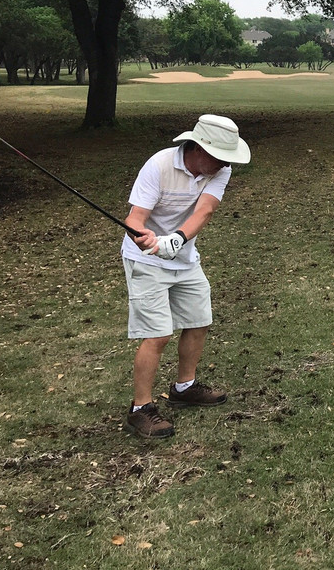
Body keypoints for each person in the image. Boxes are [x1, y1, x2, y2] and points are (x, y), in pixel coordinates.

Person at [121, 114, 251, 438]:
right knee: (158, 333)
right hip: (145, 259)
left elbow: (204, 210)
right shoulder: (159, 165)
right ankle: (141, 409)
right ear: (197, 148)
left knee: (199, 320)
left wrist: (174, 240)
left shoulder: (221, 169)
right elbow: (135, 219)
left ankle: (184, 387)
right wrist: (148, 238)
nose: (224, 164)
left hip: (184, 257)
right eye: (220, 157)